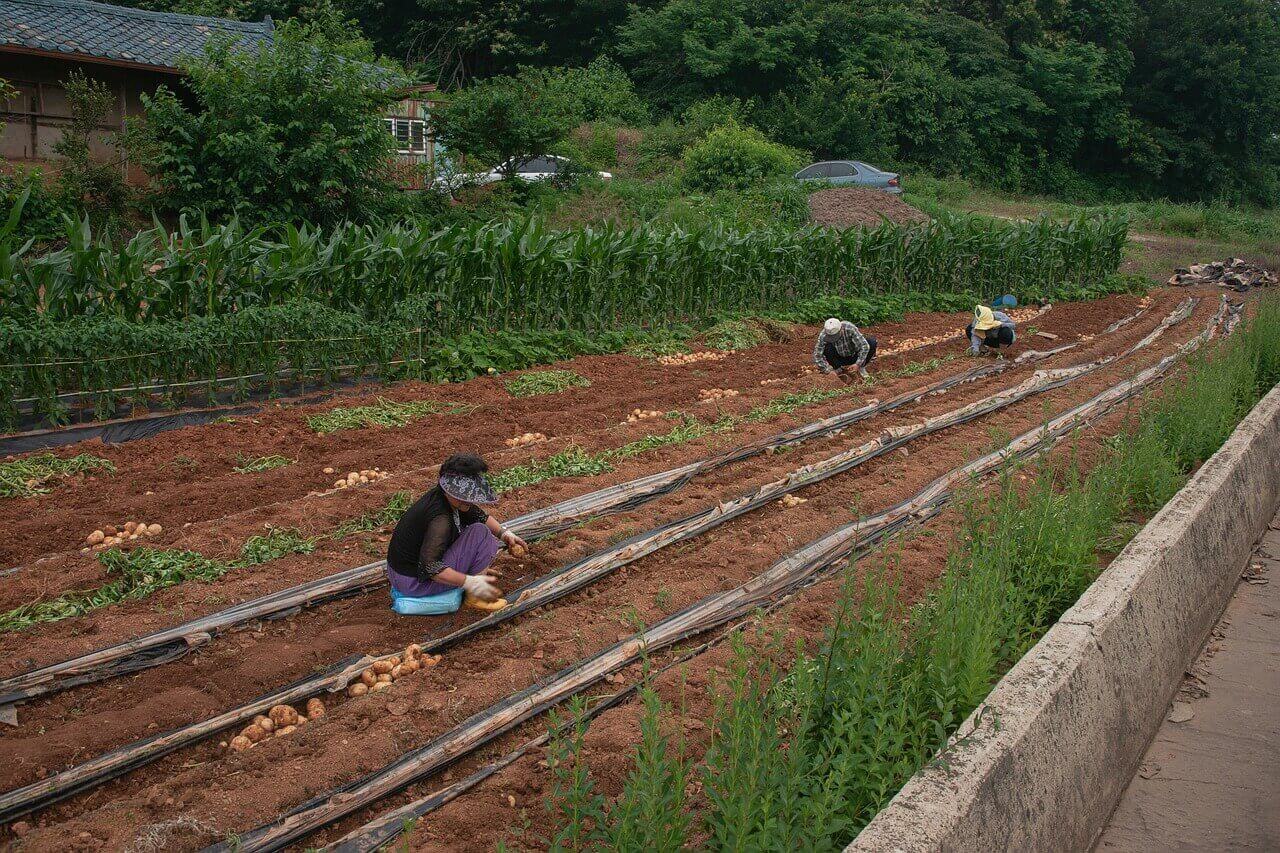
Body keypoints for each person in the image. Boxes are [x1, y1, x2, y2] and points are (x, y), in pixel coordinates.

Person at [385, 453, 528, 615]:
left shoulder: (443, 498)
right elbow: (431, 568)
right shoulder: (440, 519)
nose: (467, 500)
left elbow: (479, 516)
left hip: (400, 574)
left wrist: (505, 534)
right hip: (414, 582)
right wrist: (470, 582)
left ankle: (468, 577)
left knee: (478, 528)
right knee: (481, 535)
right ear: (448, 489)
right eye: (462, 495)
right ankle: (475, 597)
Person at [813, 317, 877, 383]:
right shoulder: (823, 335)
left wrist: (858, 364)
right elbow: (817, 355)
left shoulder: (849, 328)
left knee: (871, 342)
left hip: (854, 356)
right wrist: (828, 371)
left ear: (841, 330)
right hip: (838, 359)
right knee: (827, 346)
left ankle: (861, 368)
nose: (834, 339)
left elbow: (864, 346)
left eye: (835, 336)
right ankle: (838, 369)